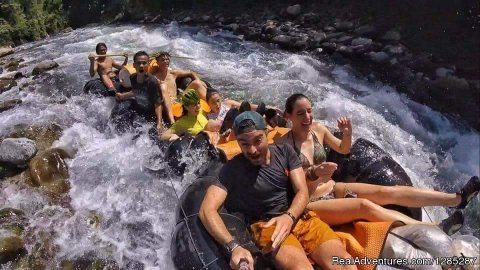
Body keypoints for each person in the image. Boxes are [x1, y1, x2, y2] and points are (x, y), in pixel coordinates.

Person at [276, 93, 480, 233]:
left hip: (333, 187)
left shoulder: (318, 130)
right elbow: (286, 185)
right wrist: (314, 172)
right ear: (288, 116)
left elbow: (344, 149)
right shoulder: (282, 145)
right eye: (301, 113)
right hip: (311, 203)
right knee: (365, 205)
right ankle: (436, 228)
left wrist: (347, 134)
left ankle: (456, 199)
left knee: (388, 192)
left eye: (309, 111)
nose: (307, 117)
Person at [199, 111, 357, 270]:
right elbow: (206, 210)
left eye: (257, 140)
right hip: (268, 226)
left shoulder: (285, 152)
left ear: (266, 134)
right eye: (244, 144)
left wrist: (289, 217)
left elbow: (302, 191)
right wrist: (233, 246)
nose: (252, 150)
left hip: (299, 217)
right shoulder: (233, 168)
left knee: (346, 263)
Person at [115, 51, 166, 135]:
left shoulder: (152, 82)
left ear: (148, 65)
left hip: (150, 114)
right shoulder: (132, 78)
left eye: (144, 63)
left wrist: (159, 123)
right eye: (138, 63)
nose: (141, 66)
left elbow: (158, 104)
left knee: (138, 132)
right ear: (134, 65)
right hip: (139, 109)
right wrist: (123, 96)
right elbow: (136, 91)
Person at [151, 52, 208, 122]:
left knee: (197, 83)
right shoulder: (154, 77)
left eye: (167, 59)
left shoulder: (173, 73)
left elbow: (190, 72)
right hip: (166, 105)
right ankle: (172, 120)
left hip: (178, 100)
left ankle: (212, 103)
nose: (166, 61)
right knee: (163, 87)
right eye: (162, 60)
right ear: (157, 62)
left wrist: (199, 81)